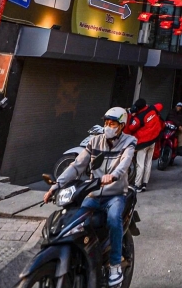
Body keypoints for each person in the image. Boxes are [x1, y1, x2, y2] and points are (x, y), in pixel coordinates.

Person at [45, 107, 135, 287]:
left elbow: (125, 163)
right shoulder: (95, 141)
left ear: (121, 126)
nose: (108, 126)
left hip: (115, 194)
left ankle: (115, 264)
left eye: (112, 123)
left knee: (113, 219)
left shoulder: (129, 141)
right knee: (77, 221)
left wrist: (114, 175)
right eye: (106, 123)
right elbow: (77, 166)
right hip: (94, 193)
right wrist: (56, 185)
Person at [124, 97, 163, 191]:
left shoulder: (138, 117)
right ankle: (144, 184)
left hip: (143, 142)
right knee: (148, 162)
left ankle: (137, 185)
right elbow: (160, 105)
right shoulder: (153, 108)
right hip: (153, 140)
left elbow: (131, 127)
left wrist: (131, 116)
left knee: (140, 164)